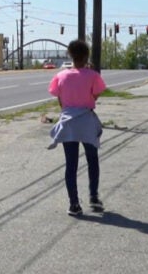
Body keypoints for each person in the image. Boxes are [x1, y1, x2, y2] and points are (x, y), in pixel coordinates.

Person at [47, 40, 107, 216]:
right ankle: (93, 196)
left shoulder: (61, 76)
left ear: (70, 55)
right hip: (86, 120)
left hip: (68, 122)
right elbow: (95, 96)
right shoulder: (92, 75)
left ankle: (74, 204)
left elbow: (59, 98)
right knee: (92, 159)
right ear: (87, 55)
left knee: (71, 164)